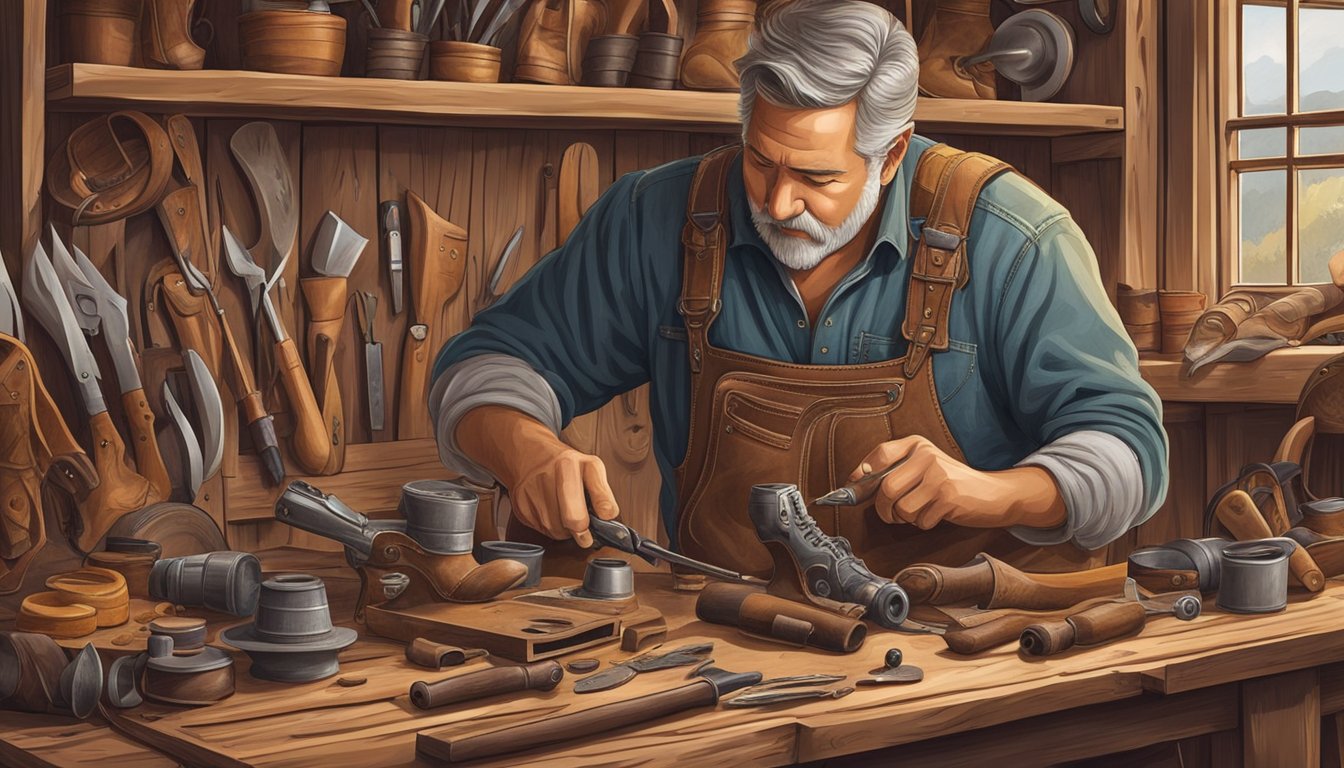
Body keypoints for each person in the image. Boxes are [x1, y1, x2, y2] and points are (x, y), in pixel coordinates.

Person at [429, 0, 1167, 576]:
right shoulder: (662, 217)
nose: (778, 204)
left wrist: (990, 492)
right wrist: (526, 451)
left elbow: (1129, 454)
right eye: (760, 161)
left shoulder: (1015, 238)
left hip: (975, 656)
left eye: (816, 178)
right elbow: (479, 370)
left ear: (893, 153)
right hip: (736, 647)